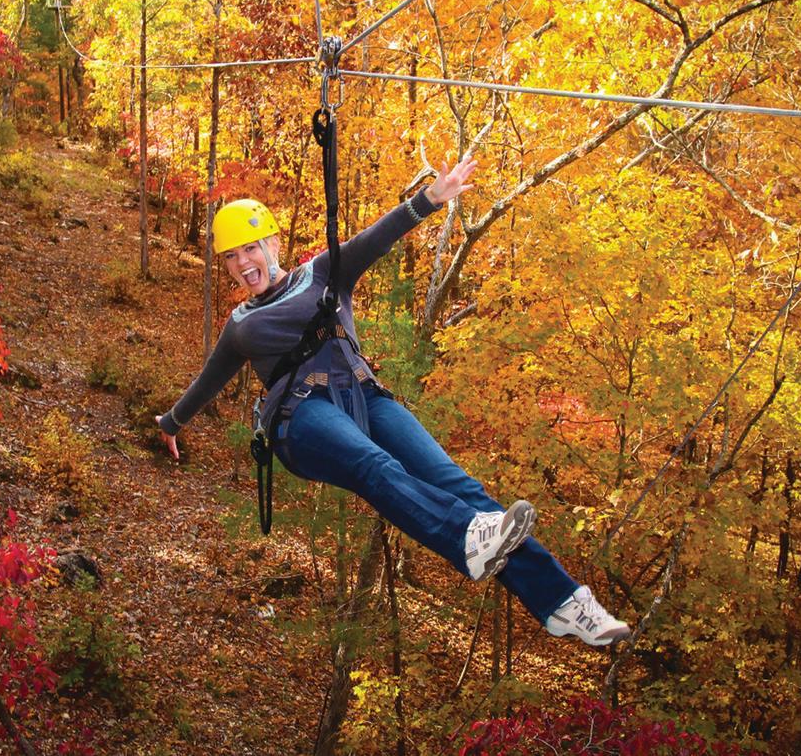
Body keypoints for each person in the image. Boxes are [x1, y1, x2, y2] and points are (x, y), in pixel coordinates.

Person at [156, 155, 630, 646]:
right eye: (231, 256)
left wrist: (429, 200)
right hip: (300, 420)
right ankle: (465, 538)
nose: (242, 263)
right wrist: (171, 422)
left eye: (250, 248)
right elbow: (208, 381)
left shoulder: (321, 273)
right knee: (373, 463)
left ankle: (565, 605)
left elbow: (373, 240)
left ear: (274, 243)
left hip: (363, 397)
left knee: (462, 487)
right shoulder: (241, 325)